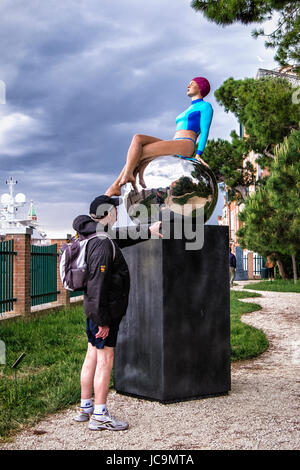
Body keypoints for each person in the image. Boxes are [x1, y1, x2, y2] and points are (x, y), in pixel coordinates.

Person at [73, 195, 162, 431]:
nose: (117, 212)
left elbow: (121, 237)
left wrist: (148, 230)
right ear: (109, 213)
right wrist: (103, 320)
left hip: (94, 311)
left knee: (92, 354)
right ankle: (100, 415)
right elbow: (97, 284)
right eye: (114, 209)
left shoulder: (93, 234)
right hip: (103, 313)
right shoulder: (102, 242)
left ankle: (85, 407)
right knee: (105, 360)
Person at [105, 77, 213, 197]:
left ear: (200, 87)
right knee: (138, 139)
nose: (188, 86)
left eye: (192, 84)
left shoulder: (205, 106)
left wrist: (198, 153)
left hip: (185, 144)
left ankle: (117, 185)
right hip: (175, 142)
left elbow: (205, 131)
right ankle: (128, 176)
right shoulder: (189, 108)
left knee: (142, 152)